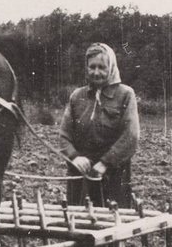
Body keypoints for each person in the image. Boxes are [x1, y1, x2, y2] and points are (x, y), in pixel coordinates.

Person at [59, 42, 140, 210]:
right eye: (92, 67)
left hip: (113, 177)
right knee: (78, 223)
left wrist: (105, 163)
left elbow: (130, 136)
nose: (96, 72)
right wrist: (75, 157)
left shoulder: (125, 95)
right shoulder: (77, 96)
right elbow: (64, 135)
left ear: (111, 67)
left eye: (102, 67)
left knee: (113, 224)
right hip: (81, 175)